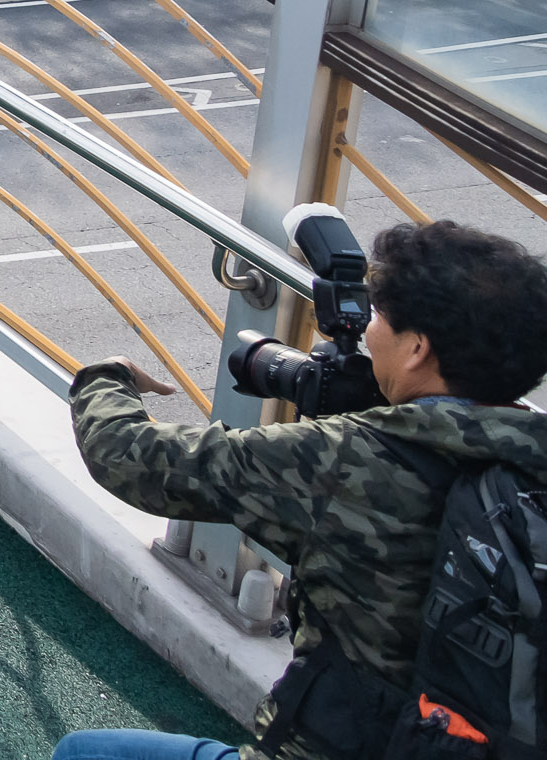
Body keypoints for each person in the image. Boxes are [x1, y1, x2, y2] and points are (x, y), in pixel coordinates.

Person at [52, 219, 547, 760]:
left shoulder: (346, 457)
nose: (370, 329)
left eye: (379, 316)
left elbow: (127, 456)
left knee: (87, 752)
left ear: (417, 350)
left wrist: (107, 375)